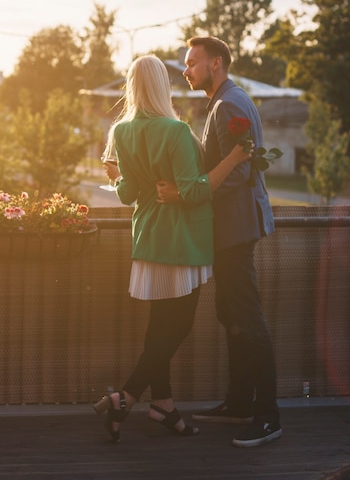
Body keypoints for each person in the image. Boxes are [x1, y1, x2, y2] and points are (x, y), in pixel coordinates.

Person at [92, 54, 253, 444]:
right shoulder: (176, 131)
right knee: (176, 328)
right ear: (162, 86)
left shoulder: (121, 132)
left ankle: (163, 405)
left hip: (148, 239)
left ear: (132, 86)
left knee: (158, 329)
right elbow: (195, 191)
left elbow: (128, 194)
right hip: (182, 241)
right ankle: (124, 396)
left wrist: (115, 177)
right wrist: (233, 158)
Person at [156, 36, 281, 448]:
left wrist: (186, 193)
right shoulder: (226, 101)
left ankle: (267, 416)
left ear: (216, 64)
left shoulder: (229, 105)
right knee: (232, 314)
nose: (186, 70)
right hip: (231, 229)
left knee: (248, 318)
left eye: (192, 63)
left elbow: (240, 174)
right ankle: (240, 402)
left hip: (236, 229)